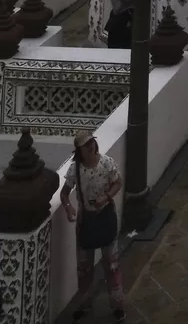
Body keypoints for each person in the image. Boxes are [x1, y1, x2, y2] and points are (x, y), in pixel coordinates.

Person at [60, 129, 125, 322]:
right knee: (84, 269)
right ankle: (85, 304)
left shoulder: (106, 163)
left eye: (92, 143)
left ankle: (118, 305)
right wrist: (68, 207)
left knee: (111, 265)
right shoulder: (75, 170)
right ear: (80, 150)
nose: (91, 147)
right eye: (87, 145)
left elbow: (117, 182)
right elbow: (64, 193)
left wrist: (106, 197)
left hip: (104, 218)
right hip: (86, 221)